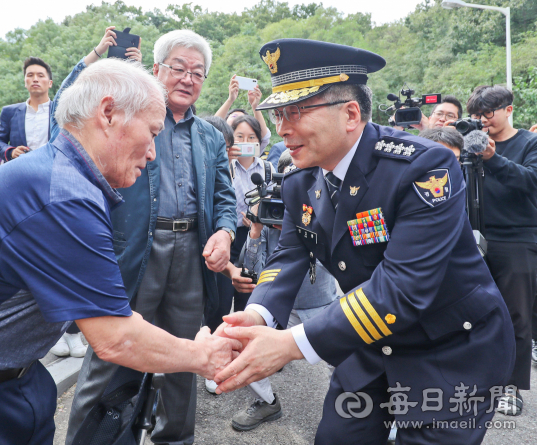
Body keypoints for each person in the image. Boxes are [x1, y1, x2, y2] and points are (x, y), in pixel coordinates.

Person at [0, 58, 240, 445]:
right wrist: (203, 356)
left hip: (9, 380)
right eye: (152, 133)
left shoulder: (64, 175)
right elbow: (116, 338)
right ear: (108, 113)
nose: (153, 154)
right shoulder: (61, 194)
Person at [211, 38, 515, 445]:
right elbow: (289, 254)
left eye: (296, 112)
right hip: (369, 340)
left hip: (449, 346)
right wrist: (258, 315)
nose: (282, 128)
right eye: (278, 113)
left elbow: (402, 288)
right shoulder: (301, 178)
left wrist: (291, 344)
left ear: (351, 113)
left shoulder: (423, 166)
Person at [66, 29, 237, 445]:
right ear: (156, 68)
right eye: (178, 67)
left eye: (197, 72)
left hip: (191, 254)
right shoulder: (131, 118)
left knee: (184, 355)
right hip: (132, 250)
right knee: (111, 354)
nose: (187, 78)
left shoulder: (212, 135)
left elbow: (224, 196)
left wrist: (226, 232)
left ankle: (174, 439)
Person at [47, 26, 143, 359]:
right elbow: (64, 96)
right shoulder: (68, 124)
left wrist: (138, 72)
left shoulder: (127, 132)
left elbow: (143, 117)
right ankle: (61, 327)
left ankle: (75, 329)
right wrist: (98, 51)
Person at [225, 149, 338, 431]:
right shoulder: (265, 212)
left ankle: (355, 407)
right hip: (279, 308)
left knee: (352, 361)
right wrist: (255, 231)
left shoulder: (325, 207)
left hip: (320, 305)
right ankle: (267, 402)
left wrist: (307, 222)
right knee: (243, 345)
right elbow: (251, 271)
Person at [465, 85, 537, 416]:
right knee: (471, 315)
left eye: (488, 114)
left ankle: (511, 387)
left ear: (509, 110)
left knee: (516, 315)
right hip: (470, 236)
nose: (482, 121)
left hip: (516, 239)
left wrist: (493, 158)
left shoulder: (529, 143)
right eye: (477, 115)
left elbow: (530, 182)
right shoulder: (467, 141)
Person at [203, 114, 274, 393]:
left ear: (260, 141)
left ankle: (247, 360)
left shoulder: (267, 169)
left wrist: (257, 219)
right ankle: (214, 363)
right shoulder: (223, 166)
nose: (245, 143)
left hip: (255, 239)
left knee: (249, 302)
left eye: (251, 138)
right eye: (239, 138)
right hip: (226, 240)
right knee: (219, 305)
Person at [0, 57, 53, 162]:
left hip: (52, 171)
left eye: (40, 75)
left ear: (50, 83)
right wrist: (11, 152)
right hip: (20, 172)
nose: (35, 79)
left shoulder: (60, 111)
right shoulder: (10, 112)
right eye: (30, 75)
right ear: (25, 82)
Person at [216, 75, 272, 161]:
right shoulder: (221, 146)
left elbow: (264, 136)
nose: (239, 120)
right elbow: (212, 128)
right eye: (234, 116)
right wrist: (230, 99)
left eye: (242, 117)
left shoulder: (254, 148)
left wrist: (255, 106)